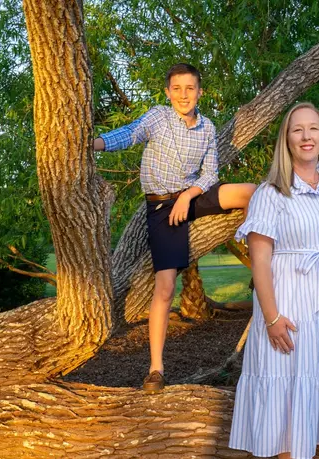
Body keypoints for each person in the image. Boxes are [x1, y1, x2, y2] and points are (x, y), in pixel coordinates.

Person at [92, 63, 255, 392]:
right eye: (177, 89)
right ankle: (156, 368)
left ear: (200, 92)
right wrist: (94, 144)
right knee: (165, 289)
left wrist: (190, 196)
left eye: (190, 88)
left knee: (253, 191)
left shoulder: (207, 128)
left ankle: (255, 251)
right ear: (168, 93)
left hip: (193, 195)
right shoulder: (158, 117)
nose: (184, 94)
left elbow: (210, 173)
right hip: (162, 207)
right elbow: (129, 133)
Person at [229, 103, 319, 459]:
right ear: (286, 139)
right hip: (288, 307)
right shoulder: (270, 193)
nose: (306, 137)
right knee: (286, 403)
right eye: (297, 130)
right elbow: (260, 261)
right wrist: (272, 318)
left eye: (313, 129)